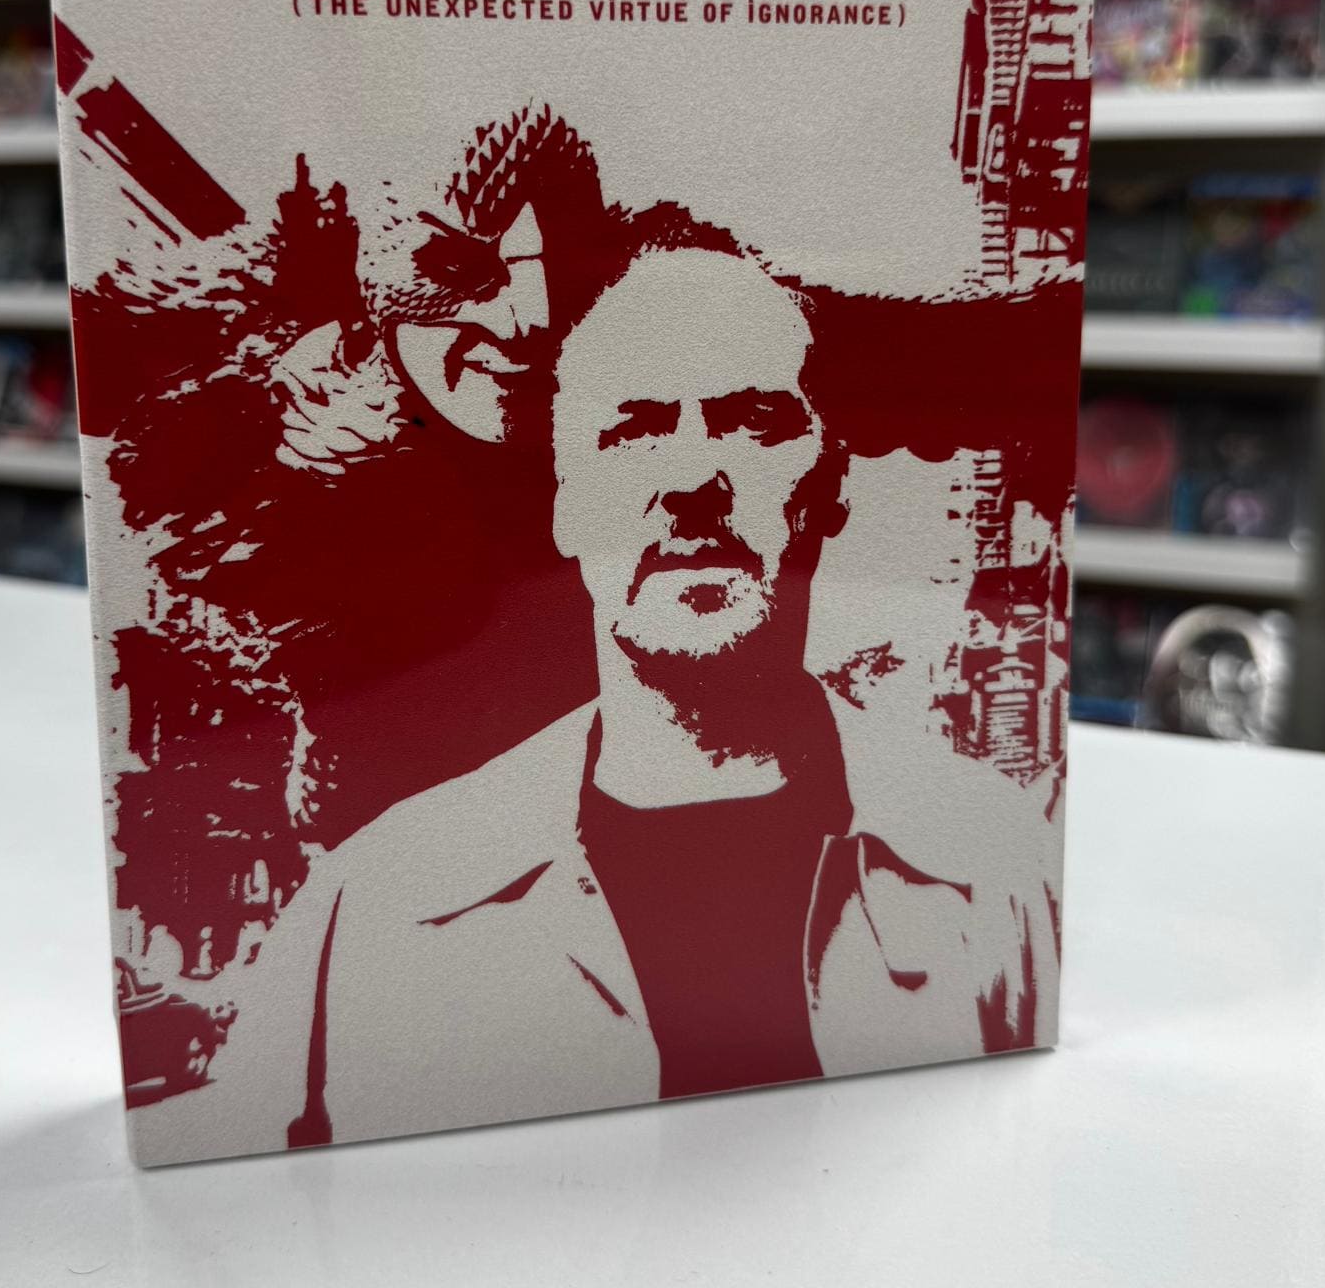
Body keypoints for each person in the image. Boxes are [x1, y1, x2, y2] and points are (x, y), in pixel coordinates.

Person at [135, 222, 1061, 1164]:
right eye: (635, 429)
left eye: (753, 422)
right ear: (563, 503)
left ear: (831, 485)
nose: (694, 479)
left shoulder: (990, 864)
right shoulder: (368, 912)